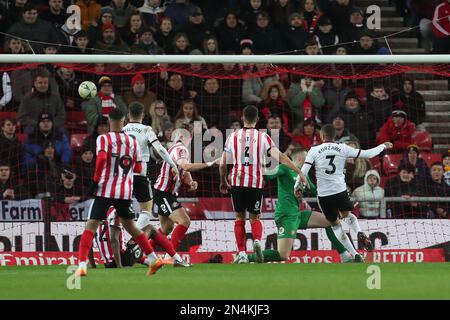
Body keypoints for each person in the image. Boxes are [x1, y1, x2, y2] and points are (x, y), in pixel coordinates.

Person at [75, 108, 165, 277]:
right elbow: (138, 167)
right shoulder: (133, 142)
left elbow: (101, 159)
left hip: (105, 190)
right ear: (124, 120)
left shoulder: (103, 138)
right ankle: (153, 260)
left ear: (109, 121)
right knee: (132, 227)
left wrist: (95, 182)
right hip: (124, 192)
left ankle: (81, 265)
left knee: (91, 226)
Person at [219, 105, 309, 264]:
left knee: (239, 217)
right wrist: (299, 172)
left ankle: (241, 252)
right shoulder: (264, 137)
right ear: (257, 120)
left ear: (242, 118)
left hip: (237, 181)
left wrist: (223, 180)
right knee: (255, 217)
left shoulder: (232, 137)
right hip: (255, 182)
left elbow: (222, 164)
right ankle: (258, 241)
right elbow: (280, 157)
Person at [298, 124, 393, 260]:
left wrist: (297, 185)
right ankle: (359, 232)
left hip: (324, 194)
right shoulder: (342, 148)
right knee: (348, 216)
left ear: (322, 136)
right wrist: (383, 146)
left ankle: (355, 255)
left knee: (335, 225)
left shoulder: (314, 150)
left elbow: (303, 171)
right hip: (340, 190)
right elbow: (368, 154)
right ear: (334, 136)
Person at [246, 148, 354, 263]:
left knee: (330, 221)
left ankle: (345, 256)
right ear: (298, 158)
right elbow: (269, 175)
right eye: (307, 156)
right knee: (283, 255)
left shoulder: (304, 175)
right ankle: (247, 258)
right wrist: (261, 164)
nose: (310, 160)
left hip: (297, 214)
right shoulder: (285, 168)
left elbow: (316, 192)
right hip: (286, 215)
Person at [123, 102, 190, 267]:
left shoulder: (122, 131)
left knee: (122, 215)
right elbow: (159, 149)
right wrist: (173, 165)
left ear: (128, 115)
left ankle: (136, 251)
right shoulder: (146, 129)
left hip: (123, 177)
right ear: (143, 115)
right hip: (140, 177)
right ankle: (132, 241)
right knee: (146, 213)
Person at [152, 128, 214, 258]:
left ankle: (141, 253)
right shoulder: (181, 148)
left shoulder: (177, 149)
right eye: (190, 137)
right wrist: (209, 163)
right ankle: (171, 257)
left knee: (166, 229)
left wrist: (190, 182)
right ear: (183, 136)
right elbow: (185, 166)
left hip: (164, 193)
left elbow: (183, 171)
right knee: (184, 221)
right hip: (164, 193)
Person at [18, 68, 65, 133]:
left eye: (45, 83)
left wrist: (50, 124)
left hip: (53, 128)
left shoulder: (55, 98)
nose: (43, 85)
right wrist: (38, 124)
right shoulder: (27, 98)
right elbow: (22, 118)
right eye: (40, 83)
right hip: (33, 128)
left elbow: (61, 116)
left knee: (63, 131)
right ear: (35, 84)